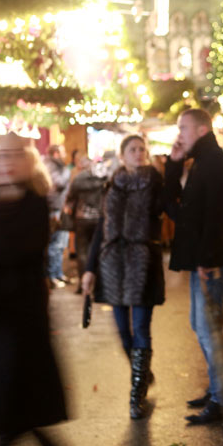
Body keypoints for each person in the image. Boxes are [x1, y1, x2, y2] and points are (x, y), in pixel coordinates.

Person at [0, 133, 67, 446]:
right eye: (2, 155)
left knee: (23, 379)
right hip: (3, 305)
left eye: (14, 155)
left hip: (27, 304)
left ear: (27, 159)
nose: (7, 162)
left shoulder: (34, 197)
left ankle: (12, 432)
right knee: (13, 382)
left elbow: (21, 249)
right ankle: (13, 431)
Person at [81, 135, 165, 419]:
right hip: (113, 265)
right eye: (133, 149)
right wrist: (90, 268)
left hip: (143, 263)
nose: (138, 153)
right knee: (123, 332)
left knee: (140, 328)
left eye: (142, 149)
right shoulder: (112, 184)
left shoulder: (155, 182)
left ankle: (136, 395)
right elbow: (101, 227)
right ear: (122, 155)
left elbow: (167, 207)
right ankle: (142, 371)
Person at [163, 108, 223, 424]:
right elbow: (174, 205)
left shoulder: (215, 162)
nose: (179, 134)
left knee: (209, 332)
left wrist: (206, 258)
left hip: (211, 261)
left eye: (184, 127)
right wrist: (174, 163)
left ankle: (222, 398)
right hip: (202, 259)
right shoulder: (202, 161)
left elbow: (220, 214)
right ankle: (217, 388)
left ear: (202, 130)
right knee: (201, 327)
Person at [64, 156, 107, 294]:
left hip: (82, 218)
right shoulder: (105, 177)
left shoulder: (79, 179)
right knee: (99, 250)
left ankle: (83, 284)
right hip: (100, 217)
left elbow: (70, 198)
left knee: (82, 252)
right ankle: (99, 286)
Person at [43, 144, 71, 289]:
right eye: (63, 151)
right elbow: (59, 183)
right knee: (55, 244)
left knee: (61, 244)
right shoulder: (51, 166)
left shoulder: (57, 166)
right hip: (54, 209)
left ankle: (58, 273)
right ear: (56, 154)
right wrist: (67, 171)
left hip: (59, 208)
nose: (65, 154)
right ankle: (52, 276)